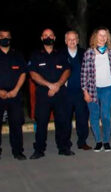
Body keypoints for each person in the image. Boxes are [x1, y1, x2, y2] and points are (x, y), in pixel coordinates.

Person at [29, 28, 73, 159]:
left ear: (54, 38)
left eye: (50, 35)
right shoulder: (36, 54)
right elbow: (33, 73)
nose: (48, 37)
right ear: (42, 38)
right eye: (45, 35)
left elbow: (67, 70)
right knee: (41, 122)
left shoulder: (61, 54)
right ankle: (39, 150)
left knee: (62, 121)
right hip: (43, 93)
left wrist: (58, 85)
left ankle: (63, 147)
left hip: (60, 92)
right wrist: (49, 85)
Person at [0, 29, 26, 163]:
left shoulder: (17, 54)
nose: (5, 39)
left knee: (16, 124)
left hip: (15, 95)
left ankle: (18, 151)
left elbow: (23, 73)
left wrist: (15, 90)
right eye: (2, 37)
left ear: (11, 38)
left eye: (7, 37)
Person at [81, 27, 111, 152]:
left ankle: (106, 141)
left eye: (105, 36)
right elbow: (84, 74)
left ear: (108, 38)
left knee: (106, 116)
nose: (102, 38)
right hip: (92, 89)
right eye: (100, 35)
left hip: (108, 88)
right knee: (94, 116)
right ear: (95, 37)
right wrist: (85, 91)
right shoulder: (89, 52)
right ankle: (98, 141)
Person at [63, 30, 91, 150]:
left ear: (78, 40)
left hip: (81, 92)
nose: (72, 41)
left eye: (74, 39)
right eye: (69, 39)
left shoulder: (84, 53)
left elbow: (90, 71)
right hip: (66, 93)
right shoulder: (60, 54)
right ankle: (65, 143)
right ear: (65, 41)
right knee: (65, 119)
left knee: (83, 119)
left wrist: (88, 90)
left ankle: (82, 142)